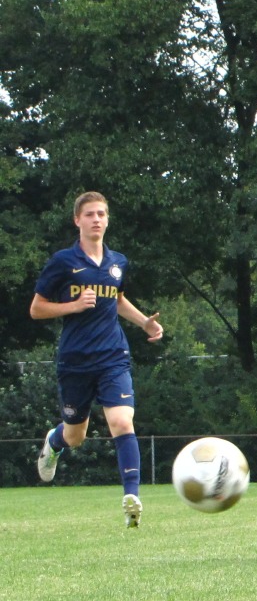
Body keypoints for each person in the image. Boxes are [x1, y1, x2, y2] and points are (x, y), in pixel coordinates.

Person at [31, 191, 163, 528]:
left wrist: (144, 322)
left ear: (107, 220)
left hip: (112, 356)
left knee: (121, 422)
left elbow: (116, 299)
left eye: (101, 214)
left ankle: (131, 498)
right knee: (76, 436)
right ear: (77, 220)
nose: (96, 220)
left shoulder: (118, 262)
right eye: (89, 214)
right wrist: (72, 305)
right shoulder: (63, 261)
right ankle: (54, 441)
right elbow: (37, 308)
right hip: (75, 360)